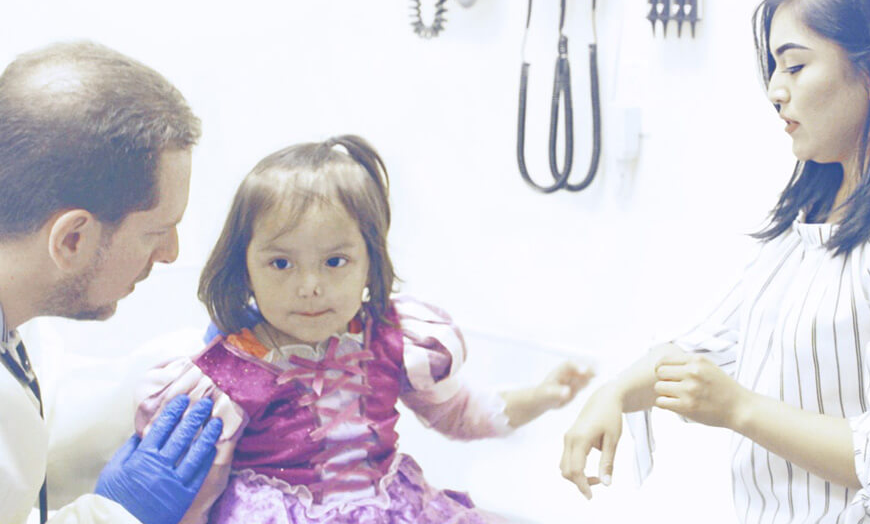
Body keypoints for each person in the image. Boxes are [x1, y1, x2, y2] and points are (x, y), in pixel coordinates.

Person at [560, 0, 870, 523]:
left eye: (794, 67)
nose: (774, 90)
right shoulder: (811, 216)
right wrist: (615, 391)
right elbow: (710, 347)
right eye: (773, 67)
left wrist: (740, 409)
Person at [134, 135, 594, 523]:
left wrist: (541, 397)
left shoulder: (394, 337)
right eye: (280, 263)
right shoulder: (230, 373)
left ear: (370, 260)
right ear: (244, 267)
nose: (310, 287)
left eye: (336, 261)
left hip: (386, 506)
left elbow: (456, 413)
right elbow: (198, 488)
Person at [0, 41, 223, 524]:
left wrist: (198, 364)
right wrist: (115, 513)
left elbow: (34, 420)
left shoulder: (15, 325)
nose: (171, 254)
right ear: (73, 239)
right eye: (156, 233)